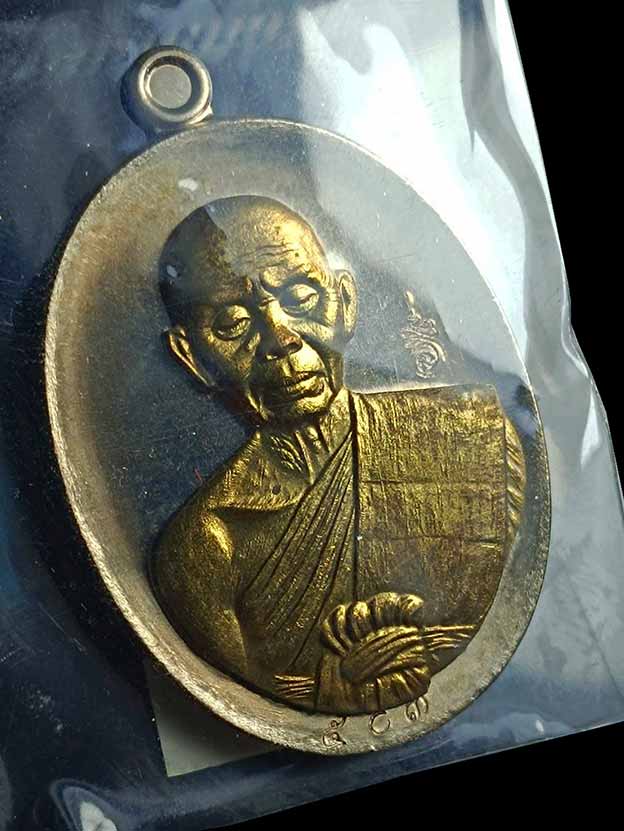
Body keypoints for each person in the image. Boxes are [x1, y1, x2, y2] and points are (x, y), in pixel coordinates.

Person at [152, 196, 525, 714]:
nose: (280, 339)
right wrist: (328, 690)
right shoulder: (204, 545)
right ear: (191, 355)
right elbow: (257, 684)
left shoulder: (470, 439)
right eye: (234, 324)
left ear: (346, 303)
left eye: (302, 297)